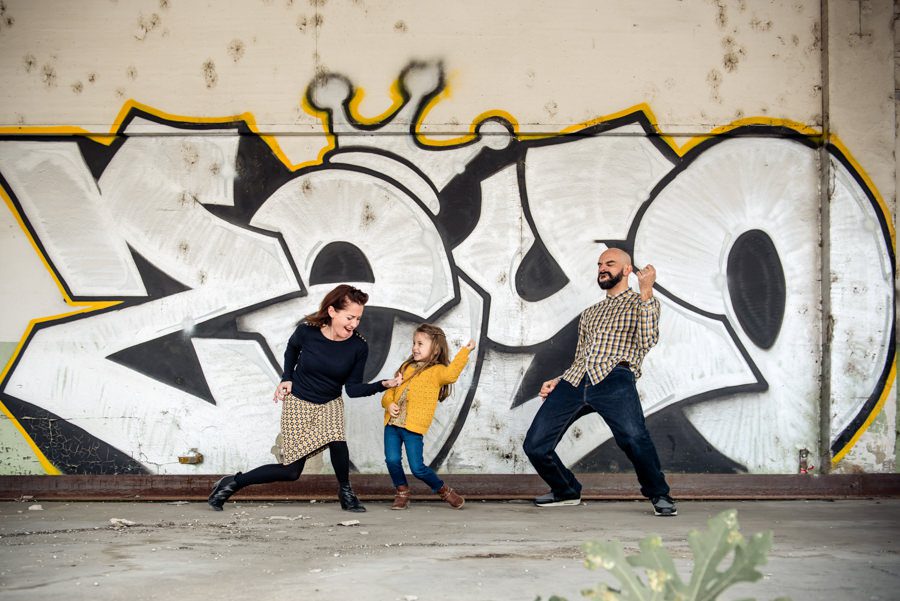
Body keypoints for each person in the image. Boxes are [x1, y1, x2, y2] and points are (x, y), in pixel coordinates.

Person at [208, 284, 403, 512]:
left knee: (337, 441)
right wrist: (286, 377)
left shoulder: (358, 346)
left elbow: (352, 389)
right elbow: (292, 349)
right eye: (350, 317)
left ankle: (346, 492)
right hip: (298, 402)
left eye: (358, 319)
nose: (354, 324)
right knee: (291, 472)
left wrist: (383, 385)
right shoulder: (307, 332)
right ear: (332, 311)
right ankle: (232, 482)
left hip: (330, 402)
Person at [522, 247, 677, 516]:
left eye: (610, 263)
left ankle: (659, 495)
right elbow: (582, 356)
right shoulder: (590, 313)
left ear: (627, 270)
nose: (603, 268)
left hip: (614, 377)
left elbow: (648, 340)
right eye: (600, 264)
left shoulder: (642, 302)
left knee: (633, 437)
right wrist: (559, 380)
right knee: (535, 445)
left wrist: (646, 290)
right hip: (575, 380)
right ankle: (566, 490)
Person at [381, 324, 475, 510]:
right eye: (414, 343)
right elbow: (391, 391)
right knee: (391, 460)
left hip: (413, 428)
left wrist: (466, 351)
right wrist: (388, 404)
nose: (415, 347)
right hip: (392, 425)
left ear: (435, 349)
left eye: (420, 343)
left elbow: (452, 374)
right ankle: (402, 492)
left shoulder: (437, 371)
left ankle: (444, 490)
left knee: (418, 468)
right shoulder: (406, 367)